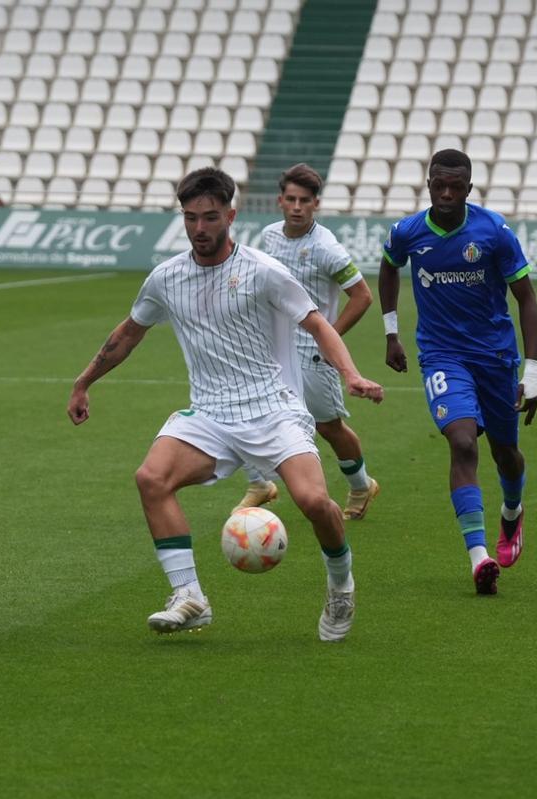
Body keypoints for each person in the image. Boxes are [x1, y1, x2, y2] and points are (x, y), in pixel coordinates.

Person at [67, 167, 383, 641]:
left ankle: (341, 588)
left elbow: (317, 324)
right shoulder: (167, 278)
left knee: (315, 501)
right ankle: (189, 596)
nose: (199, 228)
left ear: (230, 215)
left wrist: (351, 373)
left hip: (274, 407)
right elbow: (129, 332)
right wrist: (84, 381)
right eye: (191, 218)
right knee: (151, 478)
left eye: (210, 217)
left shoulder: (263, 271)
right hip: (211, 414)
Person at [379, 149, 537, 595]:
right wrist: (391, 331)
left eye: (456, 186)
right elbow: (389, 267)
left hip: (495, 357)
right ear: (428, 184)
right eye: (439, 185)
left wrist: (533, 370)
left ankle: (512, 512)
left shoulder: (493, 231)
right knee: (463, 441)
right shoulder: (408, 232)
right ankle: (479, 556)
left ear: (469, 189)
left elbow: (526, 299)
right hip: (442, 355)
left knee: (506, 453)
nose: (446, 193)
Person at [233, 163, 380, 521]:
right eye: (291, 199)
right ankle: (259, 483)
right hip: (271, 349)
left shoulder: (326, 247)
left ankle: (361, 484)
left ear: (316, 204)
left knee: (327, 427)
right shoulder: (269, 237)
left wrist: (331, 338)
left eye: (305, 201)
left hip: (312, 353)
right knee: (246, 410)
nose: (297, 207)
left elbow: (362, 296)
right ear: (279, 201)